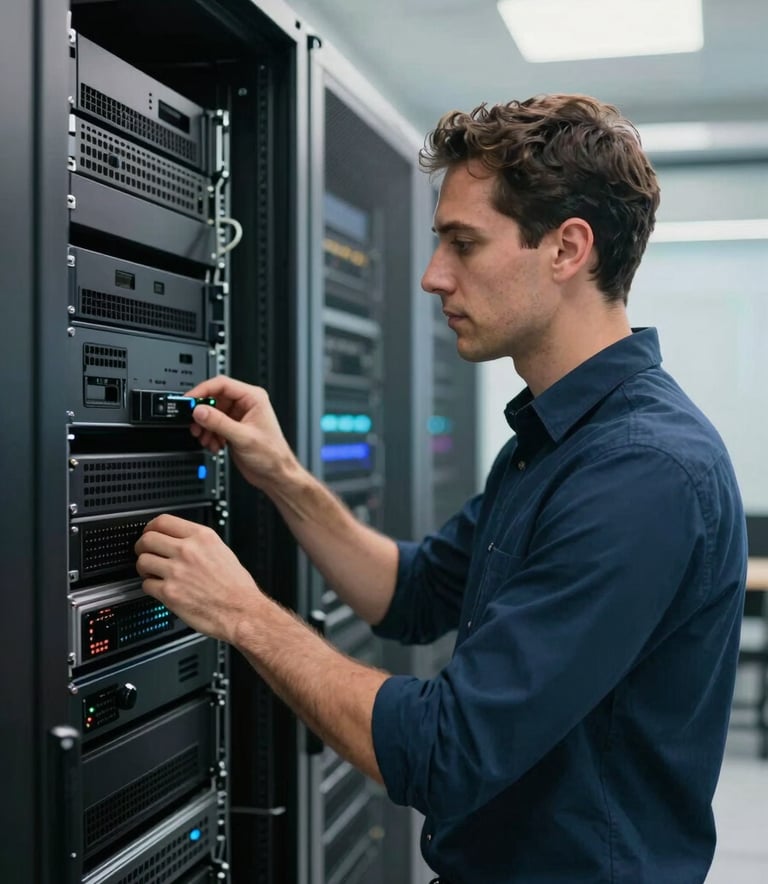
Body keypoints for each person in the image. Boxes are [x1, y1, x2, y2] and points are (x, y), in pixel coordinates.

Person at [135, 94, 747, 883]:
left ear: (567, 249)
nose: (433, 277)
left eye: (463, 244)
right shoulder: (555, 442)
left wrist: (243, 613)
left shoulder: (641, 472)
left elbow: (446, 752)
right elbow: (413, 592)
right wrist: (282, 477)